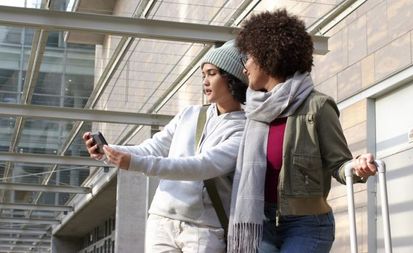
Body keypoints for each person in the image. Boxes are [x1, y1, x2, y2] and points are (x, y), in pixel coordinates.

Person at [226, 10, 378, 253]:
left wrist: (357, 166)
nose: (245, 68)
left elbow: (339, 164)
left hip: (307, 225)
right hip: (261, 223)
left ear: (268, 56)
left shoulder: (317, 106)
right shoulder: (254, 112)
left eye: (249, 57)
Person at [83, 40, 248, 253]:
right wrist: (109, 152)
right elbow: (152, 147)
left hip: (204, 228)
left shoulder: (244, 128)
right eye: (203, 75)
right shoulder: (190, 115)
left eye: (212, 73)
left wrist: (135, 163)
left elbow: (202, 166)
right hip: (161, 220)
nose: (205, 81)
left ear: (231, 77)